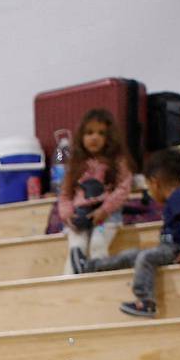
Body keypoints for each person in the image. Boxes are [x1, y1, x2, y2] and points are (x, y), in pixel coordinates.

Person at [76, 149, 180, 317]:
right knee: (132, 255)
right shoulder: (178, 197)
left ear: (155, 183)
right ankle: (91, 266)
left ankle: (146, 301)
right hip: (170, 248)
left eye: (149, 187)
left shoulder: (179, 196)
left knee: (145, 257)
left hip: (177, 249)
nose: (150, 192)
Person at [57, 109, 134, 273]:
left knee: (97, 244)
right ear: (81, 137)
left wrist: (104, 210)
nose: (94, 137)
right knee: (76, 248)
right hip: (80, 216)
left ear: (109, 137)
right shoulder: (75, 165)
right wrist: (67, 214)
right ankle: (69, 286)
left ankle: (99, 281)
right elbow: (65, 194)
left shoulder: (117, 162)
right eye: (89, 133)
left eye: (101, 133)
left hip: (104, 219)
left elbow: (123, 188)